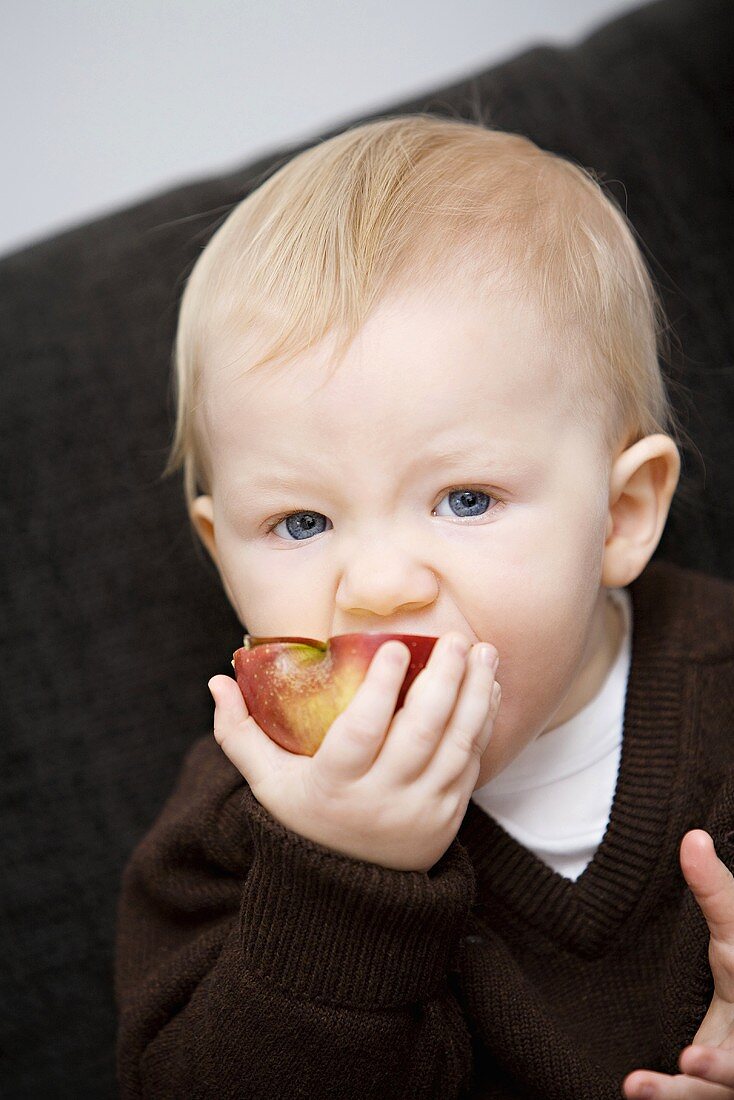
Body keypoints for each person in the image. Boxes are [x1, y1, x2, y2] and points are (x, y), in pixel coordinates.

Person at [114, 114, 734, 1099]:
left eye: (465, 499)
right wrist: (341, 881)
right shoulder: (242, 817)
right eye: (302, 520)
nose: (375, 584)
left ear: (619, 515)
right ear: (218, 553)